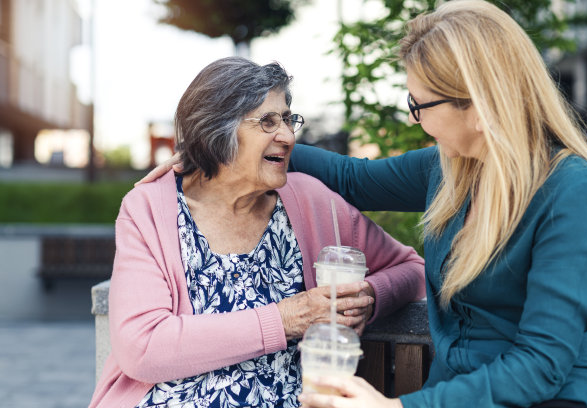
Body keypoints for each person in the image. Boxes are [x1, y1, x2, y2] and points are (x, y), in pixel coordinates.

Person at [291, 1, 587, 407]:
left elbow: (541, 364)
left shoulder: (570, 191)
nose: (413, 119)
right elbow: (350, 178)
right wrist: (244, 147)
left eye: (418, 105)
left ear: (478, 108)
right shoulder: (448, 170)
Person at [89, 57, 425, 408]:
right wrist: (282, 320)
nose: (288, 135)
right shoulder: (149, 209)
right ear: (216, 130)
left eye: (288, 119)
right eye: (267, 121)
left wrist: (368, 296)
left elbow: (412, 269)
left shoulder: (311, 201)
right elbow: (142, 347)